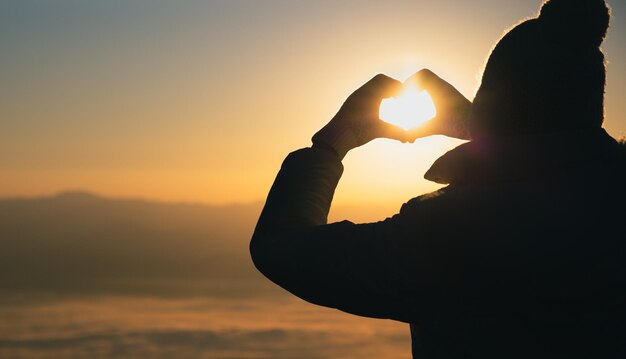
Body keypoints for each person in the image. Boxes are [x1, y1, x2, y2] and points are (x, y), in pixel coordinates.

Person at [250, 0, 626, 357]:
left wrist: (333, 142)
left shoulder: (451, 230)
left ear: (490, 101)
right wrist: (486, 130)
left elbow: (281, 249)